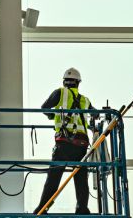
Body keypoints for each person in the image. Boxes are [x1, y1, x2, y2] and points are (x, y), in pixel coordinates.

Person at [34, 67, 96, 215]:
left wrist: (53, 115)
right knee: (81, 179)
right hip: (81, 145)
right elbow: (94, 114)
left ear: (64, 82)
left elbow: (44, 108)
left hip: (64, 144)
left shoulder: (59, 93)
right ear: (78, 83)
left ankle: (42, 208)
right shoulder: (85, 100)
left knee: (53, 178)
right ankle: (82, 209)